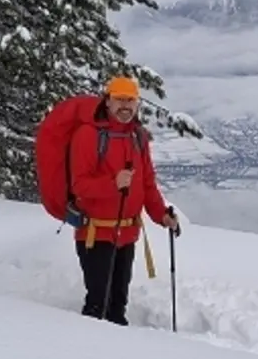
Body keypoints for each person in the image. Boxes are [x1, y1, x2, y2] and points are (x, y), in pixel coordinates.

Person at [68, 76, 180, 325]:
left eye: (131, 101)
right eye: (119, 100)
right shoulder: (88, 135)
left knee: (118, 306)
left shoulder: (138, 137)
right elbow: (79, 186)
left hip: (127, 234)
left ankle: (117, 348)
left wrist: (162, 215)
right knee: (98, 305)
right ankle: (85, 348)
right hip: (95, 234)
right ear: (107, 101)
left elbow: (147, 184)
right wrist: (113, 183)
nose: (125, 106)